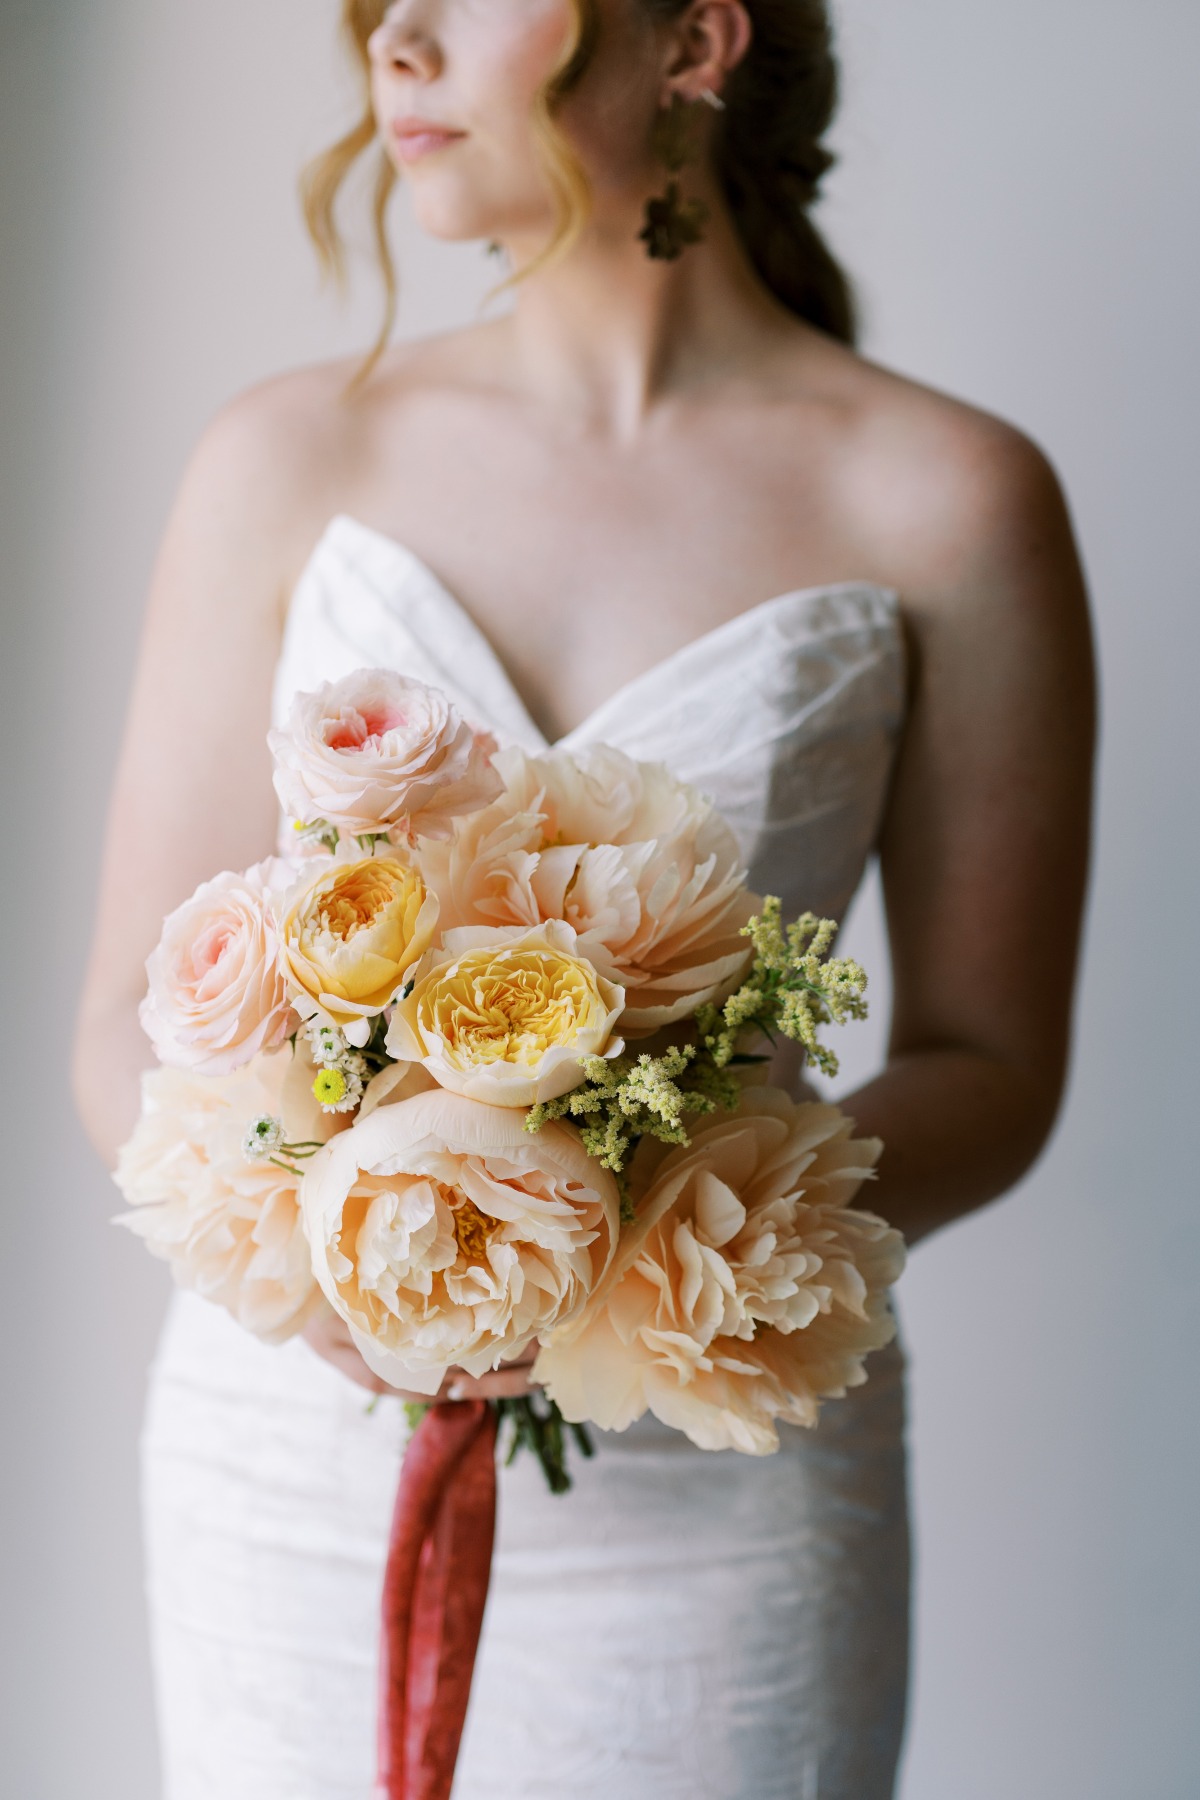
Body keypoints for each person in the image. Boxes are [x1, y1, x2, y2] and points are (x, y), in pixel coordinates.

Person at [72, 1, 1096, 1795]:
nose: (393, 41)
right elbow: (122, 1029)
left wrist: (660, 1231)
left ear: (693, 37)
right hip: (291, 1459)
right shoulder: (283, 459)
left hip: (729, 1466)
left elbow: (990, 1059)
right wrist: (342, 1272)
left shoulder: (951, 497)